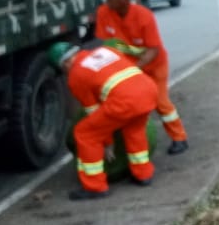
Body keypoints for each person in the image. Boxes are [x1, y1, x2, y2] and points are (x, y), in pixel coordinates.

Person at [49, 42, 158, 200]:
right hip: (148, 90)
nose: (65, 72)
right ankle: (143, 174)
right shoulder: (105, 50)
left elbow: (93, 112)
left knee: (85, 133)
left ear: (65, 63)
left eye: (63, 69)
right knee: (134, 130)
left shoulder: (76, 76)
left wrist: (108, 143)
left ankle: (95, 186)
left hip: (125, 101)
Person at [95, 0, 189, 155]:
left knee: (160, 102)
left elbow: (153, 50)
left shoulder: (144, 16)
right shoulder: (103, 13)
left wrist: (135, 68)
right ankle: (131, 147)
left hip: (154, 66)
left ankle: (179, 138)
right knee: (126, 106)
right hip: (127, 68)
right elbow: (106, 46)